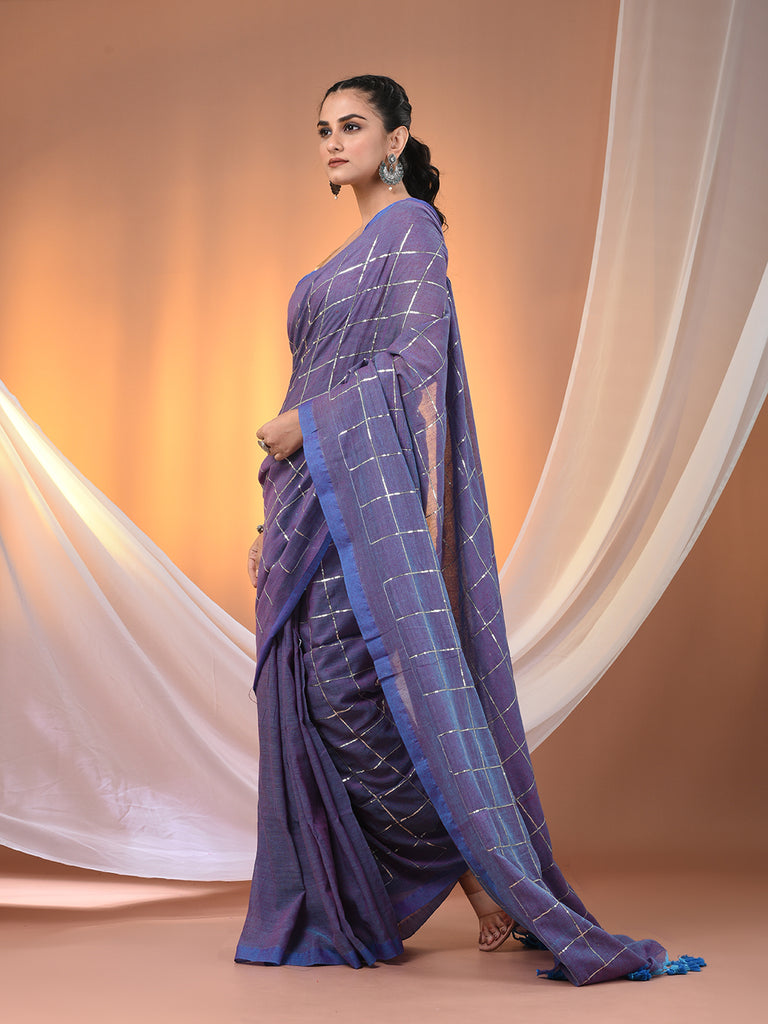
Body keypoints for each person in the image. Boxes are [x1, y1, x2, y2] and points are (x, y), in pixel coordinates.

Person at [235, 75, 702, 985]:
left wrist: (309, 426)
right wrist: (272, 509)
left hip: (358, 492)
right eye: (323, 129)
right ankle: (462, 876)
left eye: (353, 126)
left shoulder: (411, 232)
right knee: (316, 694)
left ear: (396, 139)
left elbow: (413, 363)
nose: (333, 142)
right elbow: (315, 378)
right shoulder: (342, 255)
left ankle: (484, 871)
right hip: (308, 498)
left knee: (353, 692)